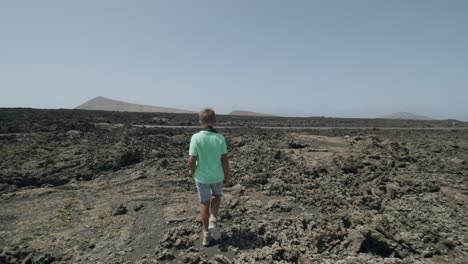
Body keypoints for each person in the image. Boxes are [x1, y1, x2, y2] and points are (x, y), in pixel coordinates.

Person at [188, 108, 230, 246]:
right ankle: (213, 219)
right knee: (216, 196)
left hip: (202, 177)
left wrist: (191, 171)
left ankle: (206, 234)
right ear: (215, 121)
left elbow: (192, 160)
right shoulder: (220, 138)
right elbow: (224, 160)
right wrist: (227, 175)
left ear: (200, 122)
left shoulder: (195, 138)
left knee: (204, 203)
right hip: (217, 176)